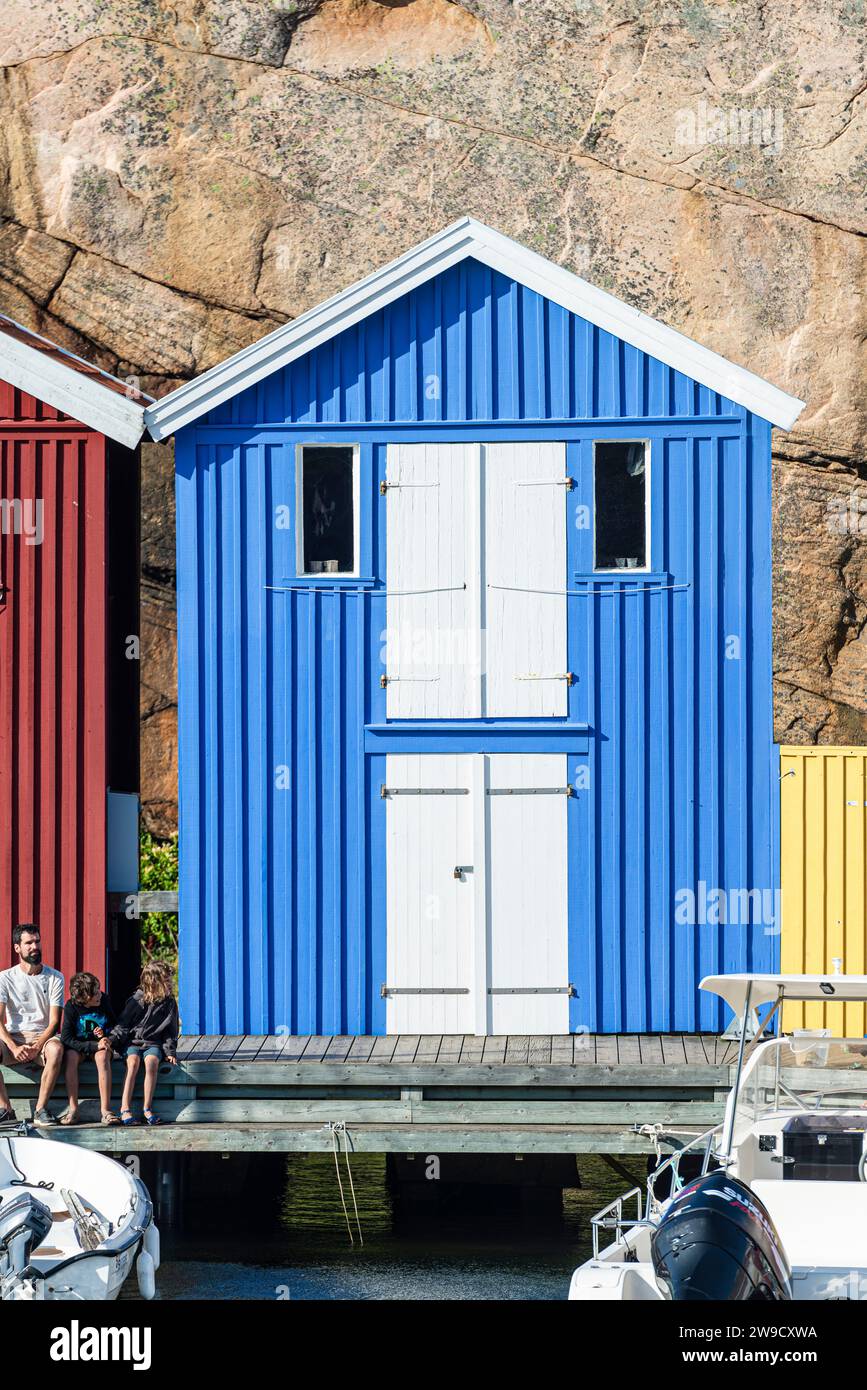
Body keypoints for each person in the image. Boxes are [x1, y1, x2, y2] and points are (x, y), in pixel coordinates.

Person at [0, 924, 65, 1126]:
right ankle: (5, 1109)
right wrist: (13, 1047)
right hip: (14, 1037)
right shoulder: (5, 978)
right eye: (28, 943)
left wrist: (37, 1047)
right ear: (17, 948)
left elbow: (54, 1022)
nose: (35, 946)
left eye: (37, 941)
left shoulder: (55, 977)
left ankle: (40, 1109)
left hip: (43, 1037)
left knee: (56, 1049)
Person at [110, 962, 179, 1126]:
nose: (170, 983)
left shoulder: (169, 1003)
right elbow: (123, 1025)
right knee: (133, 1063)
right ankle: (125, 1108)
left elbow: (170, 1030)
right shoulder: (136, 1000)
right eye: (166, 980)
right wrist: (111, 1040)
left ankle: (147, 1108)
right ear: (154, 982)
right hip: (132, 1042)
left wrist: (170, 1052)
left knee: (152, 1062)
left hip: (153, 1043)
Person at [60, 972, 120, 1126]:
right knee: (70, 1057)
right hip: (79, 1047)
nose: (100, 994)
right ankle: (73, 1109)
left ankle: (105, 1111)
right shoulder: (71, 1007)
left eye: (98, 990)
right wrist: (92, 1046)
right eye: (95, 993)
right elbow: (66, 1038)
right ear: (85, 998)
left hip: (100, 1046)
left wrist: (108, 1038)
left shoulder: (104, 1000)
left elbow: (115, 1025)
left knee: (102, 1056)